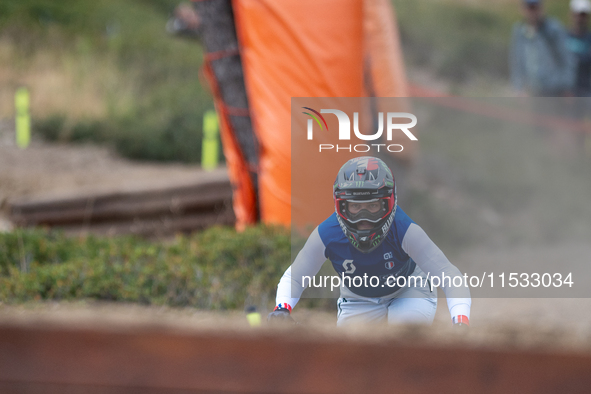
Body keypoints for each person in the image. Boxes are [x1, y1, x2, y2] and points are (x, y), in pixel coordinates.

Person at [268, 156, 471, 327]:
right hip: (358, 299)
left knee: (403, 340)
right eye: (356, 207)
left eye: (372, 205)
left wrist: (461, 321)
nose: (363, 218)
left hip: (409, 290)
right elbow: (296, 276)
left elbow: (449, 276)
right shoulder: (327, 234)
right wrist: (281, 309)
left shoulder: (405, 230)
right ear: (342, 206)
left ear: (389, 203)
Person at [510, 0, 575, 96]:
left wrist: (567, 86)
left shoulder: (554, 29)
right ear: (523, 9)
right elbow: (516, 61)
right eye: (530, 7)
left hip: (554, 90)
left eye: (535, 7)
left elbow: (567, 58)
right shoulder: (519, 31)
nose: (533, 11)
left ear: (541, 8)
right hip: (532, 90)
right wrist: (518, 87)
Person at [566, 0, 591, 97]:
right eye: (577, 14)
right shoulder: (563, 37)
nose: (580, 18)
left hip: (585, 92)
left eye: (583, 15)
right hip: (566, 94)